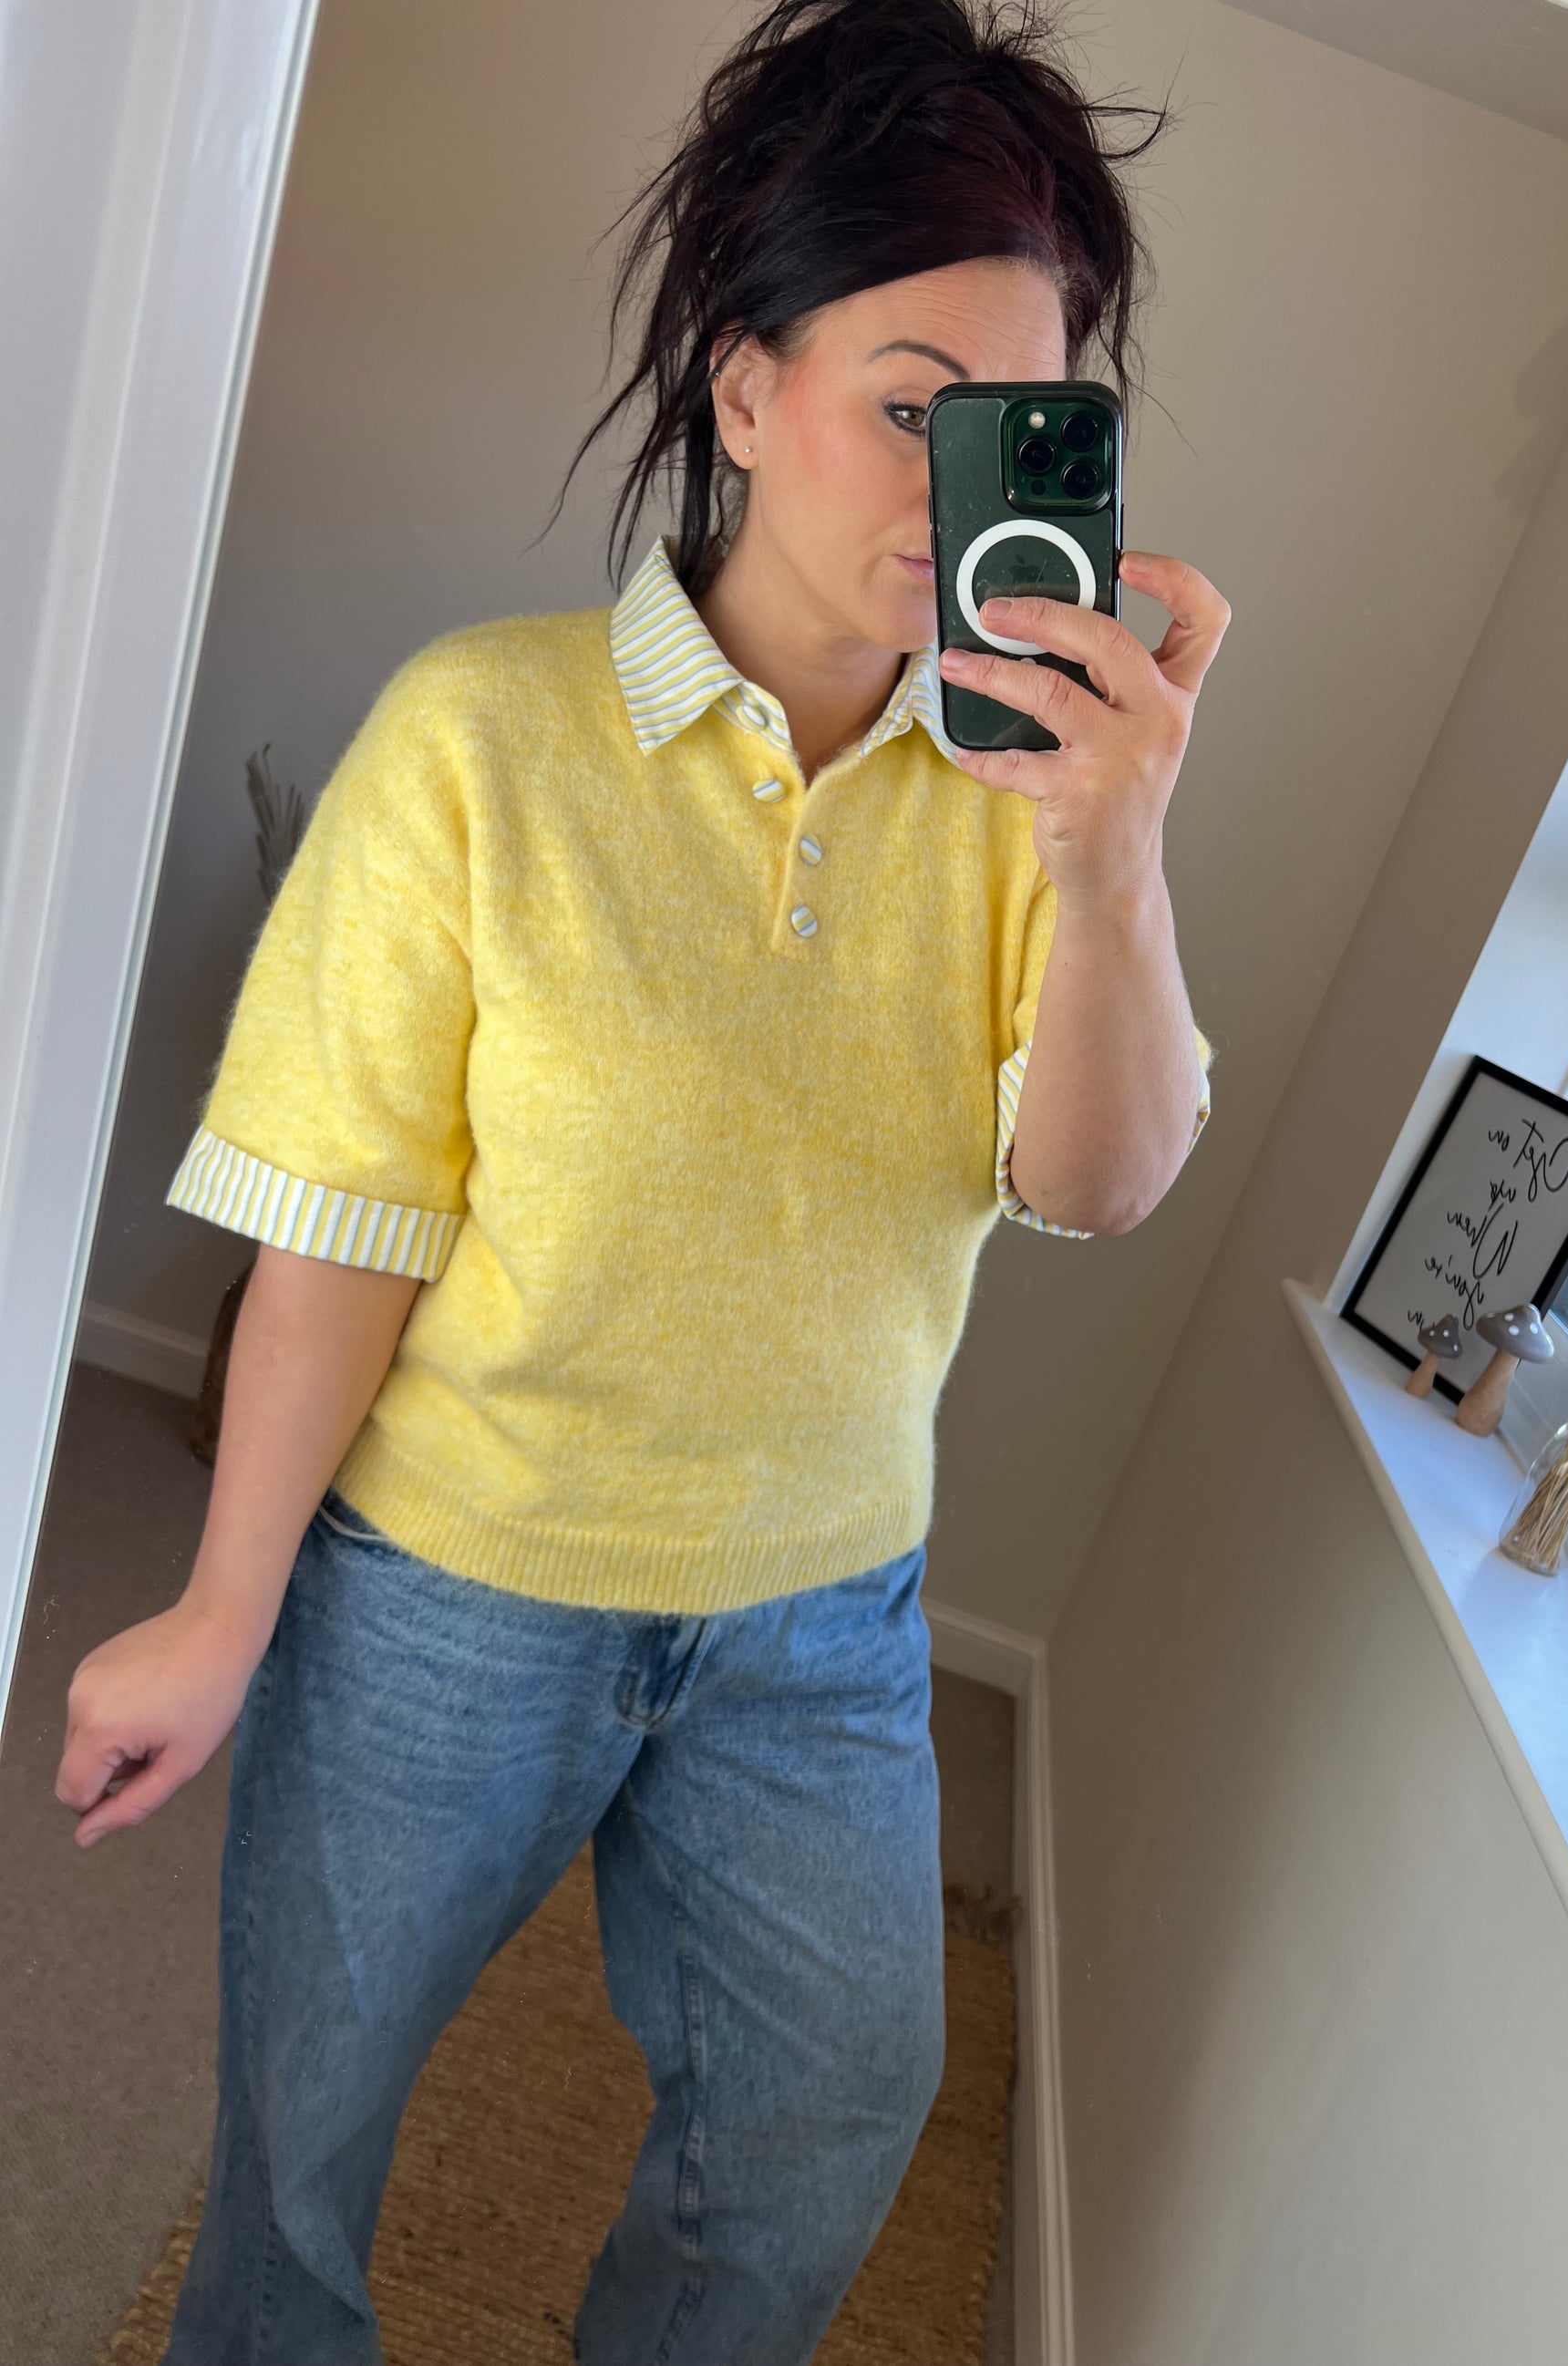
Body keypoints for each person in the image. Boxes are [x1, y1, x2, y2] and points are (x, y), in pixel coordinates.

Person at [55, 0, 1226, 2356]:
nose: (956, 488)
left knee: (828, 2122)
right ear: (742, 391)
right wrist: (223, 1600)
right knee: (301, 2132)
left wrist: (1112, 860)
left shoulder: (1040, 810)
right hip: (450, 1593)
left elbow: (1099, 1184)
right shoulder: (478, 738)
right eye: (909, 404)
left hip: (824, 1620)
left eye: (1019, 427)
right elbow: (347, 1229)